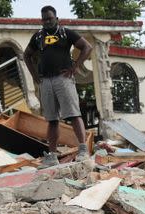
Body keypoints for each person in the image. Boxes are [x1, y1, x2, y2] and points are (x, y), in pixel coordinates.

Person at [24, 6, 92, 168]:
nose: (47, 21)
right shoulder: (38, 36)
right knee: (52, 119)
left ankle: (83, 150)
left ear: (56, 18)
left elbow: (87, 47)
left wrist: (75, 66)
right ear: (41, 21)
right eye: (44, 19)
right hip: (46, 81)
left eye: (50, 18)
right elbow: (26, 55)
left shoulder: (65, 33)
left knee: (74, 114)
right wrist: (34, 75)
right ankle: (52, 156)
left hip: (64, 78)